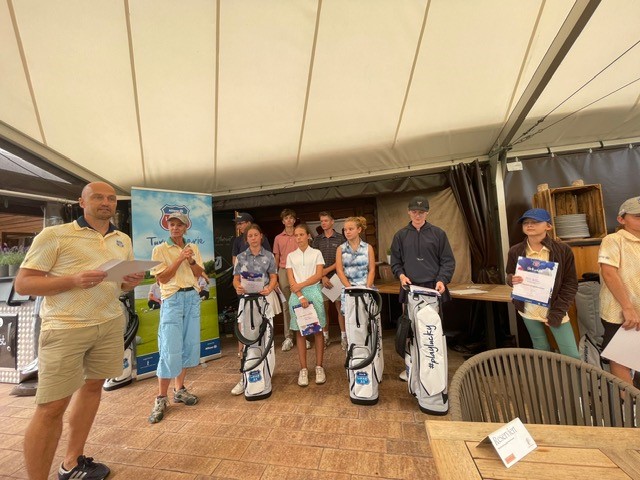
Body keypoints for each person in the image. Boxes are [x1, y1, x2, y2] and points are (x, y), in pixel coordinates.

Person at [15, 182, 144, 480]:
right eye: (98, 197)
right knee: (51, 407)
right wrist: (72, 280)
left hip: (109, 323)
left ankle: (71, 463)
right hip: (65, 328)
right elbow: (23, 284)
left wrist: (130, 282)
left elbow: (120, 284)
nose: (106, 202)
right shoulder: (54, 235)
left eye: (111, 198)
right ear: (82, 202)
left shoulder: (122, 239)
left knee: (92, 388)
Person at [390, 195, 455, 380]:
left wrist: (442, 280)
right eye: (414, 211)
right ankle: (412, 368)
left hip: (433, 290)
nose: (417, 215)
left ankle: (433, 371)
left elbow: (448, 261)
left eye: (421, 212)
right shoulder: (400, 235)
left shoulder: (438, 234)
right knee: (411, 330)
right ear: (408, 212)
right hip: (410, 289)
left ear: (427, 213)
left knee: (431, 330)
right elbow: (395, 262)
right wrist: (401, 275)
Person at [148, 212, 204, 424]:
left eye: (179, 225)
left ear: (185, 227)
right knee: (169, 348)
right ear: (167, 227)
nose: (175, 228)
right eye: (171, 224)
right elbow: (162, 278)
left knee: (188, 345)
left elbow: (198, 273)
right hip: (172, 299)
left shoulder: (193, 247)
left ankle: (179, 390)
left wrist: (190, 260)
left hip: (191, 298)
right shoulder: (160, 249)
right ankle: (161, 397)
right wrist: (180, 258)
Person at [506, 208, 579, 359]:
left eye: (535, 222)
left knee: (571, 355)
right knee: (540, 349)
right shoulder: (515, 250)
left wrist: (557, 312)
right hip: (527, 308)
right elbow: (510, 274)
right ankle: (545, 375)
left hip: (555, 308)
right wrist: (511, 280)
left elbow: (570, 284)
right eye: (525, 222)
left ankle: (572, 377)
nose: (529, 225)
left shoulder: (562, 250)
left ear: (548, 226)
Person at [230, 224, 278, 395]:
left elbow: (273, 277)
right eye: (250, 236)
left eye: (255, 235)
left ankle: (266, 375)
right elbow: (236, 279)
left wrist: (270, 288)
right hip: (246, 302)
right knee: (247, 341)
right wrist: (237, 287)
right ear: (246, 239)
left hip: (263, 301)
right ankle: (245, 378)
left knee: (266, 340)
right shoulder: (241, 257)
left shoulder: (269, 256)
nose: (253, 238)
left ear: (261, 236)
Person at [598, 197, 640, 383]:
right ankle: (628, 400)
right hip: (621, 312)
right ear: (621, 219)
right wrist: (628, 308)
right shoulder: (613, 240)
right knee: (621, 359)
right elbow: (609, 273)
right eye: (638, 216)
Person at [286, 224, 327, 386]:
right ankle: (303, 369)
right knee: (300, 333)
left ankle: (319, 367)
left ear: (308, 236)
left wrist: (300, 286)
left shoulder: (316, 253)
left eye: (301, 234)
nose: (298, 238)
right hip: (296, 295)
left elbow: (318, 275)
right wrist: (300, 294)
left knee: (317, 331)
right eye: (296, 235)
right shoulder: (291, 256)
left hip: (314, 293)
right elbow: (291, 279)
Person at [311, 211, 346, 349]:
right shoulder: (317, 240)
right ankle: (325, 337)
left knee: (340, 307)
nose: (323, 223)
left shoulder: (340, 239)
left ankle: (344, 336)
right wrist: (322, 275)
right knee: (323, 308)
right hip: (321, 278)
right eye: (321, 221)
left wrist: (328, 270)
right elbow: (314, 260)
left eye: (326, 220)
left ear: (332, 222)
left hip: (337, 277)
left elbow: (342, 259)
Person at [273, 208, 302, 351]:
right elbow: (277, 257)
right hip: (284, 271)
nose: (289, 220)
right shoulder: (278, 238)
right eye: (286, 218)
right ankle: (288, 337)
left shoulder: (300, 234)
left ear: (294, 220)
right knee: (287, 304)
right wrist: (276, 276)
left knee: (301, 301)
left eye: (291, 218)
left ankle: (302, 335)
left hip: (299, 270)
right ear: (283, 221)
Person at [335, 215, 376, 308]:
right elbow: (339, 271)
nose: (347, 232)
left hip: (366, 288)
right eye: (345, 230)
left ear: (359, 229)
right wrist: (350, 288)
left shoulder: (368, 248)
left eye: (350, 229)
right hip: (348, 289)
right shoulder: (340, 249)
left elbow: (372, 270)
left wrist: (368, 288)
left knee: (367, 315)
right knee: (350, 316)